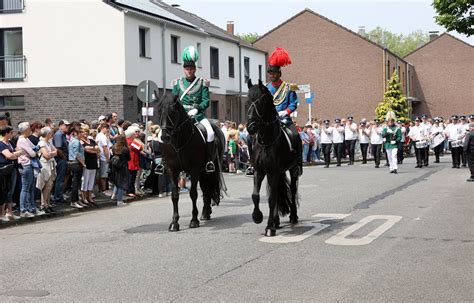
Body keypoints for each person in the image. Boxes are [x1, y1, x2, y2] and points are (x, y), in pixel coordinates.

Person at [171, 46, 215, 173]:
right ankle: (164, 162)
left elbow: (206, 100)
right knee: (165, 133)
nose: (189, 71)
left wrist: (197, 108)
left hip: (198, 116)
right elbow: (174, 100)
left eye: (191, 69)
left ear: (195, 69)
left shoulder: (202, 83)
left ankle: (209, 161)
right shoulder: (177, 83)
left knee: (211, 133)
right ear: (184, 70)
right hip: (181, 116)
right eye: (186, 69)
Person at [265, 47, 303, 174]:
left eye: (274, 73)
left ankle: (298, 163)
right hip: (270, 120)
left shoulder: (288, 87)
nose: (272, 75)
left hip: (284, 119)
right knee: (253, 136)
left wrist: (285, 112)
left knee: (296, 135)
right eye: (270, 73)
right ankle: (254, 163)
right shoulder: (266, 88)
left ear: (279, 73)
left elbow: (294, 103)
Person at [17, 122, 45, 217]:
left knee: (30, 188)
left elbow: (34, 148)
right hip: (26, 165)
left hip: (29, 165)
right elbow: (33, 153)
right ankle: (23, 210)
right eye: (29, 128)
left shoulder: (26, 139)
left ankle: (32, 208)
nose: (30, 129)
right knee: (25, 188)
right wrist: (35, 151)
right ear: (25, 130)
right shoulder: (22, 140)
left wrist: (35, 151)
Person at [0, 126, 22, 221]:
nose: (12, 134)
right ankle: (1, 213)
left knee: (11, 191)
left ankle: (10, 212)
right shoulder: (1, 144)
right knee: (4, 191)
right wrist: (14, 154)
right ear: (7, 133)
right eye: (11, 132)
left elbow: (21, 151)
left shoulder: (10, 143)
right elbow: (9, 156)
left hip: (12, 168)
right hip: (4, 170)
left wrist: (14, 154)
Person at [36, 127, 57, 214]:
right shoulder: (41, 143)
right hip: (45, 166)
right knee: (46, 185)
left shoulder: (48, 142)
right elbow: (46, 155)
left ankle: (47, 203)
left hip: (50, 165)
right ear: (48, 134)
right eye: (51, 133)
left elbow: (56, 151)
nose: (52, 135)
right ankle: (43, 204)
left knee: (50, 185)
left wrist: (51, 153)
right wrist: (52, 153)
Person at [68, 126, 87, 209]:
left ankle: (76, 199)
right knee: (75, 183)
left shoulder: (73, 141)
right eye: (80, 132)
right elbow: (77, 154)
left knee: (77, 183)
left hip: (74, 163)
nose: (82, 134)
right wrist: (83, 163)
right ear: (76, 133)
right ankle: (73, 201)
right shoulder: (76, 142)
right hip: (76, 163)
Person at [52, 120, 70, 204]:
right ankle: (57, 197)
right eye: (65, 126)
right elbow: (58, 149)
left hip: (62, 159)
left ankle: (58, 195)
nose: (67, 127)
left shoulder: (62, 135)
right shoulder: (59, 135)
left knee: (61, 179)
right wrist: (64, 159)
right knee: (60, 179)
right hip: (60, 159)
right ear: (61, 126)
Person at [80, 126, 99, 206]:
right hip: (86, 163)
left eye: (87, 131)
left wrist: (93, 149)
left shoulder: (91, 140)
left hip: (93, 163)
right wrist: (94, 149)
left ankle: (89, 196)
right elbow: (86, 149)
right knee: (85, 181)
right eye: (84, 132)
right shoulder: (81, 141)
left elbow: (98, 149)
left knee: (91, 181)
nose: (85, 133)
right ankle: (84, 197)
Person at [110, 135, 130, 206]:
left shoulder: (113, 147)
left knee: (116, 182)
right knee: (121, 184)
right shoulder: (125, 149)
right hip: (123, 167)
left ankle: (114, 196)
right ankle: (119, 200)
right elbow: (128, 158)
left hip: (115, 167)